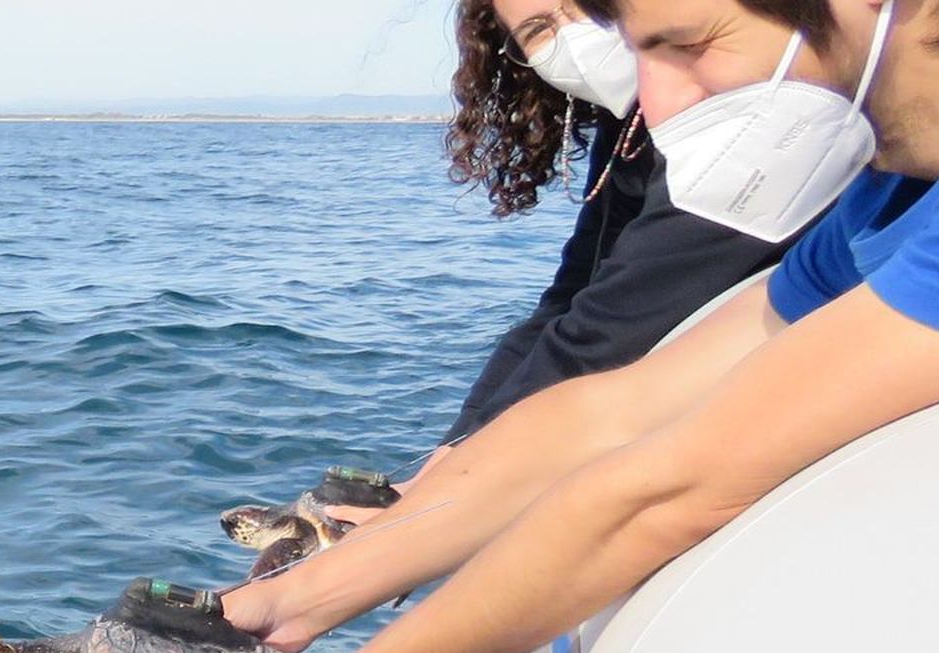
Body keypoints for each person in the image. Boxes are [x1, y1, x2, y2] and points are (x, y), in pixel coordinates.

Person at [146, 0, 939, 653]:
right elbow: (611, 412)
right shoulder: (887, 202)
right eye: (641, 51)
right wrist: (280, 605)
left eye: (691, 43)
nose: (658, 107)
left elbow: (669, 491)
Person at [326, 0, 794, 523]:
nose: (574, 37)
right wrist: (454, 448)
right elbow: (569, 295)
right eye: (539, 29)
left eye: (579, 7)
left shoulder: (752, 124)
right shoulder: (628, 129)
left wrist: (459, 479)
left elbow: (613, 323)